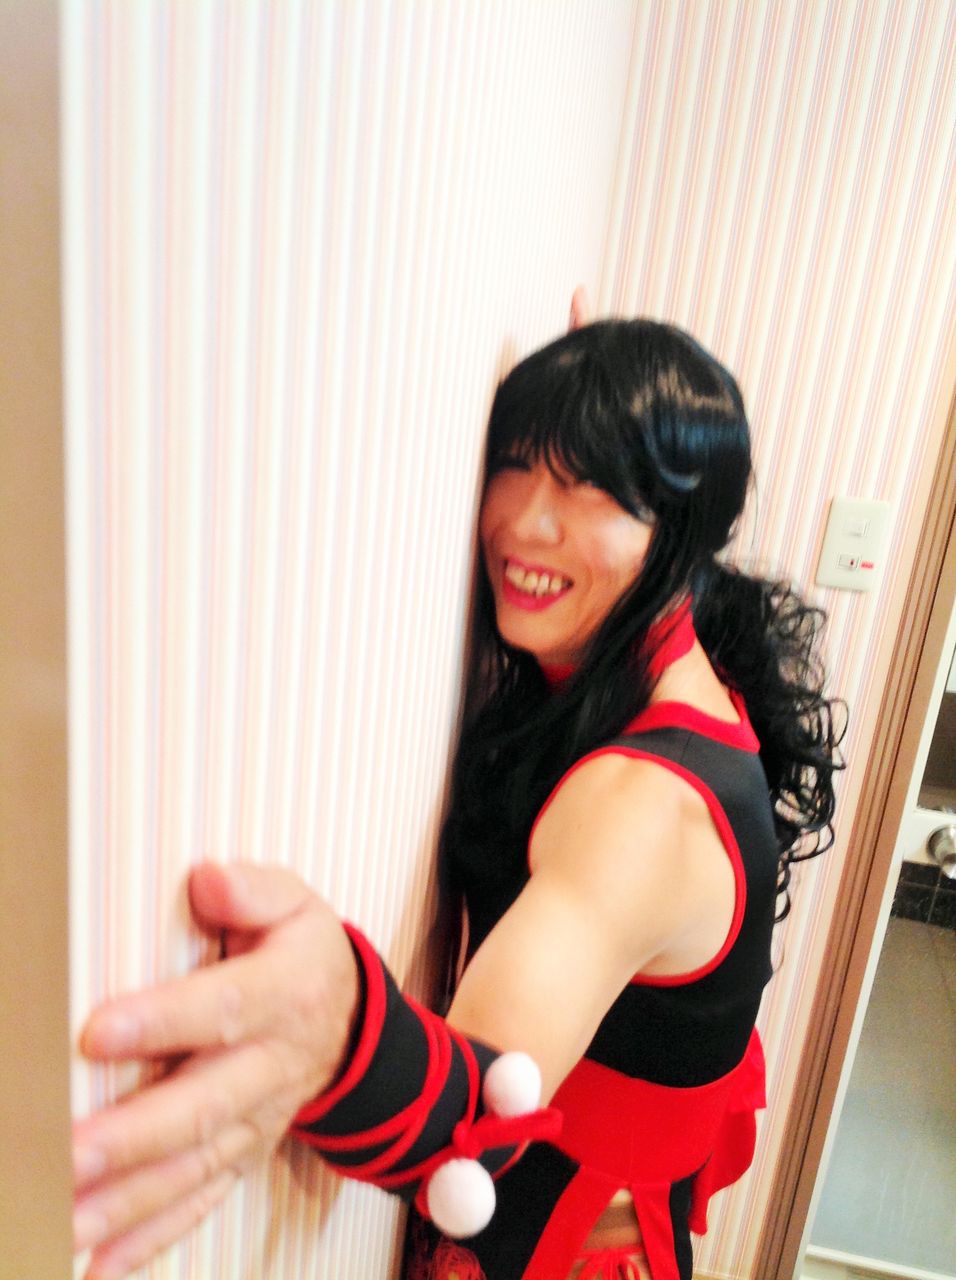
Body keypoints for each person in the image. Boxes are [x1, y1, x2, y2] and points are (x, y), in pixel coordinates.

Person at [72, 300, 842, 1280]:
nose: (524, 520)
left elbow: (478, 1117)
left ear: (680, 534)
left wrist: (333, 1024)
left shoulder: (645, 806)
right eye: (517, 463)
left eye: (593, 489)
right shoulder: (680, 674)